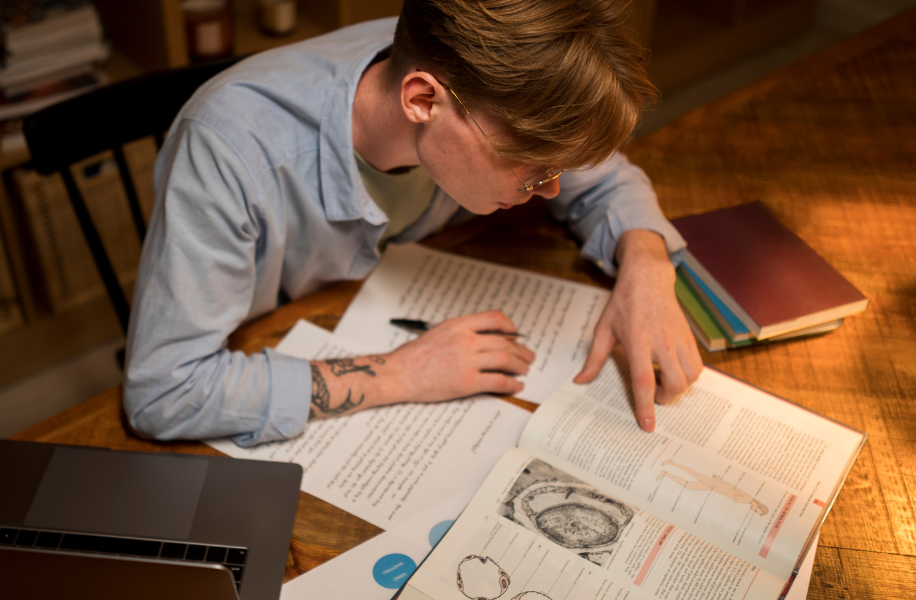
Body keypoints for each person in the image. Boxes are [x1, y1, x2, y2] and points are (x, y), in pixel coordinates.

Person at [124, 0, 703, 446]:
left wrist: (647, 265)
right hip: (283, 352)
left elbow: (603, 175)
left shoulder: (480, 81)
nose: (551, 188)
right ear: (422, 100)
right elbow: (164, 391)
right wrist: (402, 374)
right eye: (532, 168)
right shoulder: (229, 150)